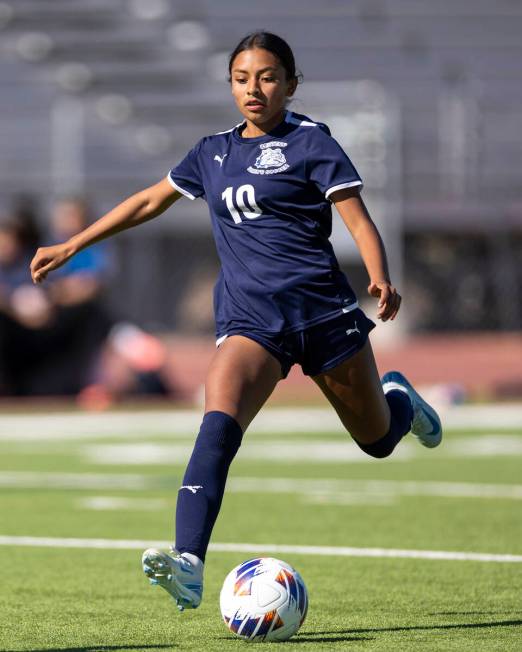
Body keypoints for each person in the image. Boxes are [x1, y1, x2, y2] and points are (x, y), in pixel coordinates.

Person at [31, 31, 442, 612]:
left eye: (269, 76)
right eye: (243, 78)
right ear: (231, 85)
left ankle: (400, 400)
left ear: (291, 85)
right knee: (217, 424)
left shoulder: (312, 143)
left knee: (377, 442)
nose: (255, 88)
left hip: (323, 314)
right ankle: (189, 563)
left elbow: (356, 217)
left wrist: (379, 275)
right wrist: (72, 244)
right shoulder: (211, 152)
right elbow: (150, 201)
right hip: (251, 323)